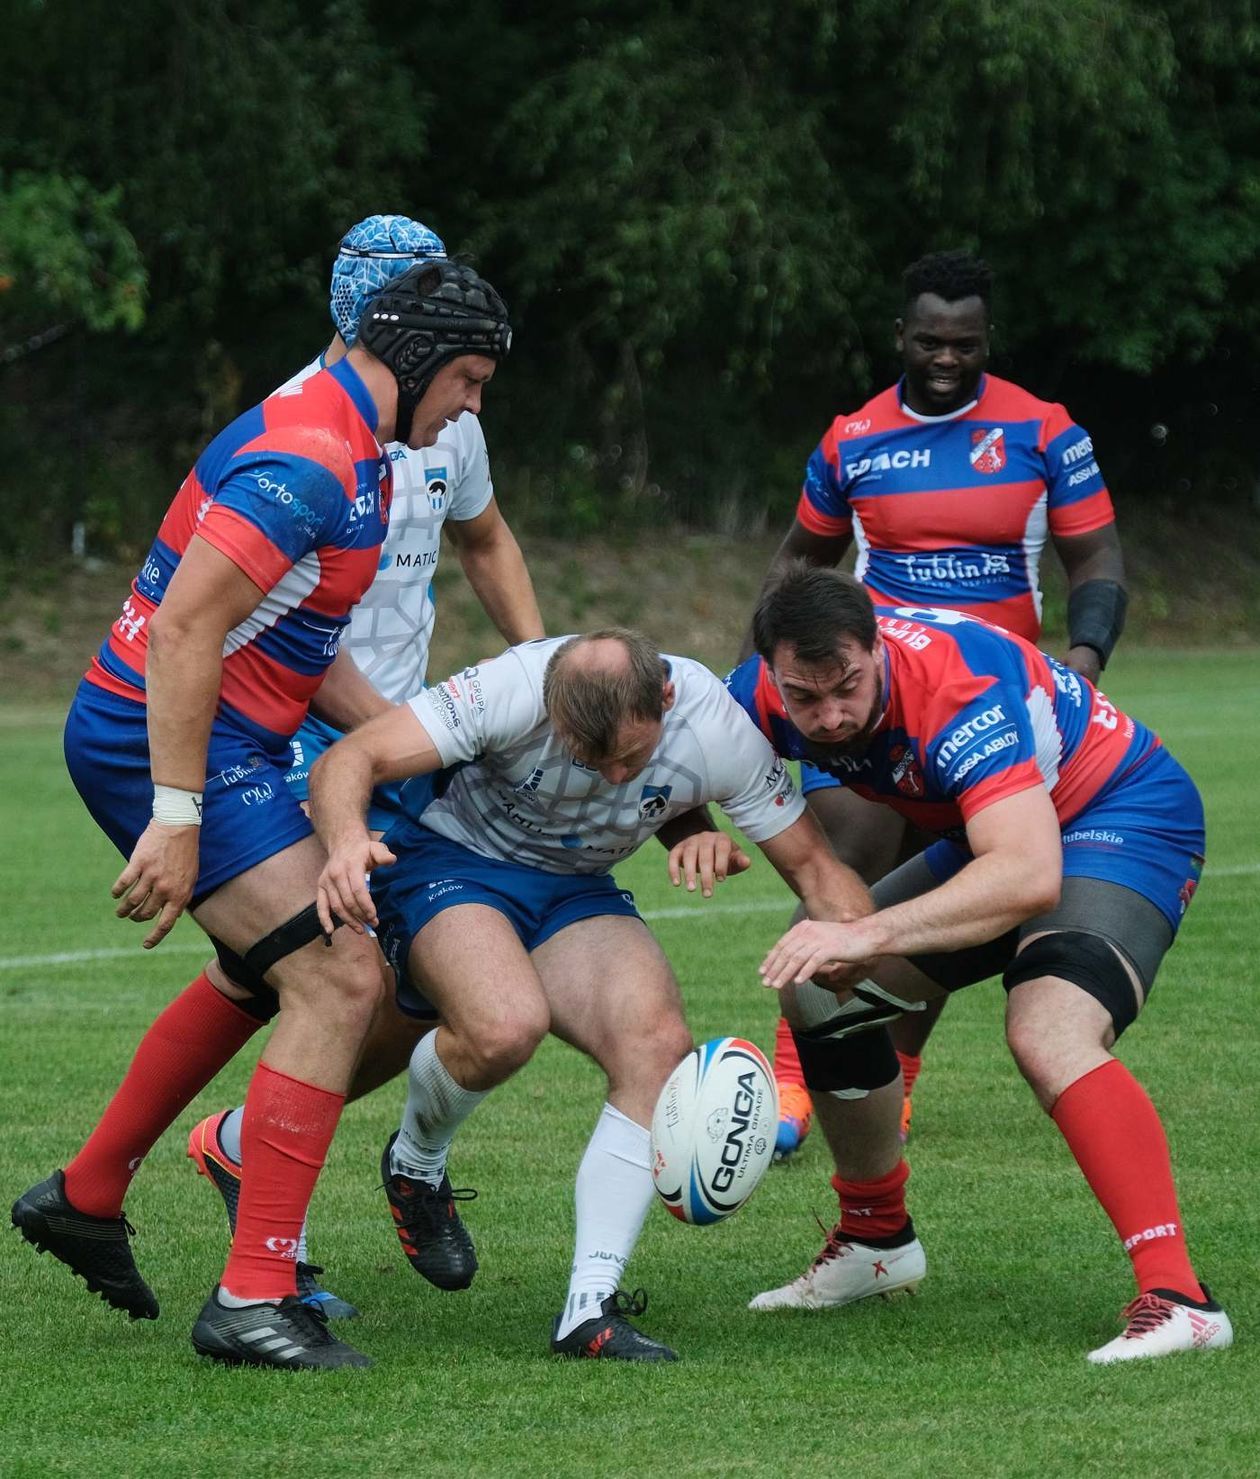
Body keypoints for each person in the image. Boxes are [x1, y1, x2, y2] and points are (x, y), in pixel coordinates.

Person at [11, 257, 514, 1371]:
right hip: (159, 739)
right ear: (421, 357)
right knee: (341, 974)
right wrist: (177, 813)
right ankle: (250, 1298)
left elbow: (297, 645)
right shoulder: (310, 456)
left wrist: (420, 743)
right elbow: (186, 630)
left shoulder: (368, 453)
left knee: (269, 967)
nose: (472, 405)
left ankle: (88, 1193)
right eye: (468, 379)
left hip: (226, 734)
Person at [309, 629, 873, 1360]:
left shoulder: (715, 726)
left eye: (632, 758)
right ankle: (417, 1159)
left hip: (575, 888)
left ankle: (588, 1308)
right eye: (588, 755)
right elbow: (349, 758)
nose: (612, 777)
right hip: (450, 860)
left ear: (664, 697)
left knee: (655, 1042)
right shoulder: (511, 685)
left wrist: (869, 948)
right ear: (552, 707)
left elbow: (818, 869)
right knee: (505, 1026)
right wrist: (348, 840)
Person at [726, 565, 1231, 1364]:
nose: (828, 717)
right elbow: (676, 739)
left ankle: (1180, 1298)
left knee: (1046, 1029)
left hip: (1118, 813)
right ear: (772, 672)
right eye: (804, 697)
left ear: (878, 646)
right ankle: (874, 1240)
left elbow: (1029, 876)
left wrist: (869, 933)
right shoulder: (757, 690)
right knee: (816, 995)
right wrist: (687, 823)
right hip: (997, 830)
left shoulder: (957, 687)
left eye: (847, 688)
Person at [183, 215, 545, 1318]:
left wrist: (532, 672)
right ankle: (260, 1256)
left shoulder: (455, 416)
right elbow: (232, 619)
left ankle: (223, 1156)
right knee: (341, 978)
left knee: (414, 971)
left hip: (405, 730)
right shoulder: (306, 432)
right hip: (301, 733)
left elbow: (483, 540)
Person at [753, 250, 1128, 1157]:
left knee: (957, 897)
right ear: (901, 338)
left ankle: (894, 1088)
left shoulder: (1045, 431)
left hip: (992, 710)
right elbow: (800, 564)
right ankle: (795, 1084)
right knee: (851, 858)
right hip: (871, 703)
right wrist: (767, 679)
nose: (947, 357)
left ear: (986, 338)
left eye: (965, 342)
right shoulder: (853, 438)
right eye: (930, 341)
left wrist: (1081, 662)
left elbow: (1096, 562)